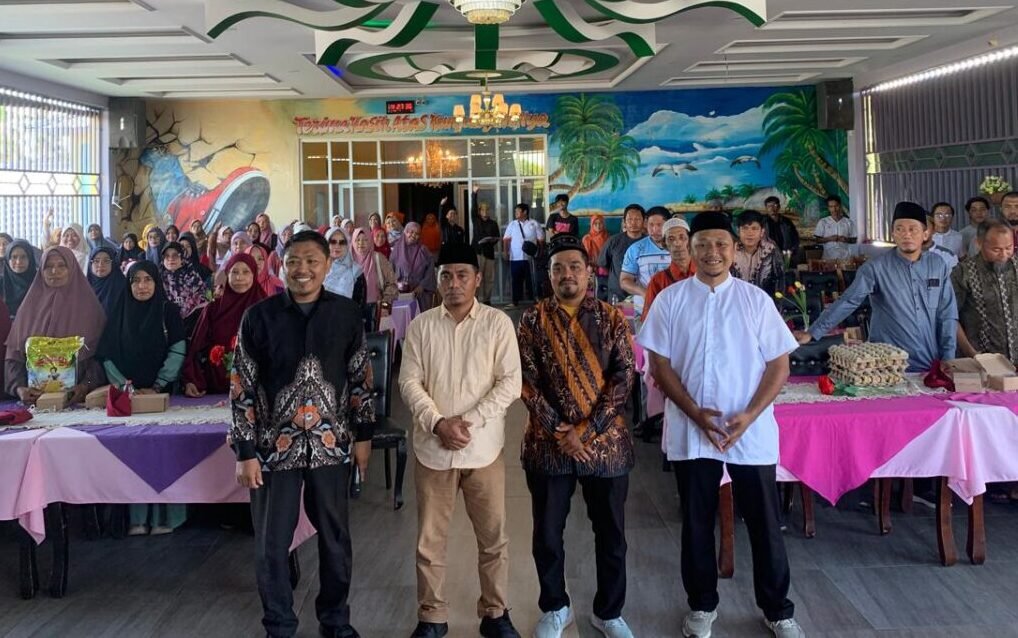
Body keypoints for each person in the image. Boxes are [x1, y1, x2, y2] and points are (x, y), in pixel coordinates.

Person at [638, 211, 805, 638]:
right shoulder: (670, 300)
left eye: (721, 244)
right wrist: (694, 412)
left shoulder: (755, 301)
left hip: (750, 429)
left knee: (764, 522)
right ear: (690, 249)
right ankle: (701, 605)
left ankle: (778, 609)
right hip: (692, 429)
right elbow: (659, 364)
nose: (712, 252)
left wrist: (749, 415)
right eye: (703, 245)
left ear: (733, 249)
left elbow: (779, 366)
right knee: (697, 522)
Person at [231, 230, 374, 638]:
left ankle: (335, 620)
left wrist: (364, 436)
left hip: (331, 445)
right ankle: (279, 624)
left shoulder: (346, 314)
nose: (302, 269)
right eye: (294, 261)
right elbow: (241, 386)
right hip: (273, 449)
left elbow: (360, 378)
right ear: (282, 265)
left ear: (328, 265)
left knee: (335, 539)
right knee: (272, 544)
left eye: (312, 261)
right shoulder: (258, 317)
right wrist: (244, 451)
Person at [399, 242, 523, 638]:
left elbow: (510, 383)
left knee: (493, 538)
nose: (454, 283)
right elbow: (409, 382)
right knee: (429, 541)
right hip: (432, 450)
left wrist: (465, 423)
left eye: (462, 275)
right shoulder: (421, 326)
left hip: (483, 449)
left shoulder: (497, 324)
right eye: (446, 275)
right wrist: (438, 424)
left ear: (477, 279)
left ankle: (495, 614)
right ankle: (432, 617)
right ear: (437, 280)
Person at [517, 235, 636, 638]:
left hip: (605, 446)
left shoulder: (610, 318)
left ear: (588, 272)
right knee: (547, 534)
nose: (566, 274)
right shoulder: (532, 320)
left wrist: (586, 429)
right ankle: (556, 607)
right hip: (547, 446)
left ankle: (609, 612)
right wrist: (559, 430)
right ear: (548, 275)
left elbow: (624, 377)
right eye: (558, 268)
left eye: (574, 266)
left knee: (612, 534)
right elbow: (525, 380)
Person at [796, 202, 958, 372]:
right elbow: (848, 301)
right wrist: (813, 332)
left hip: (929, 363)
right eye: (900, 229)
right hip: (886, 365)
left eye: (913, 229)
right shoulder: (875, 268)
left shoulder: (937, 265)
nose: (906, 234)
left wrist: (948, 356)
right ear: (893, 234)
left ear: (925, 234)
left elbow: (947, 313)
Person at [98, 260, 187, 535]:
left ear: (157, 283)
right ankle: (136, 518)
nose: (142, 286)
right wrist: (126, 388)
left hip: (164, 397)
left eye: (148, 280)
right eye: (136, 280)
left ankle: (166, 518)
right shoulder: (119, 311)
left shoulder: (168, 311)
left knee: (164, 454)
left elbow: (178, 349)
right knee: (134, 456)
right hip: (129, 399)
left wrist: (158, 386)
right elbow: (107, 354)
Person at [5, 247, 107, 405]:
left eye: (61, 265)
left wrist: (85, 386)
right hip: (34, 402)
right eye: (48, 266)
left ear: (71, 268)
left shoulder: (90, 309)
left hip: (78, 402)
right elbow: (13, 356)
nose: (54, 271)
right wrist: (18, 388)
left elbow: (102, 358)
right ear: (41, 270)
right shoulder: (28, 308)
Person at [182, 254, 265, 397]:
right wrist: (191, 380)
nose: (239, 277)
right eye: (234, 272)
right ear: (227, 275)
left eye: (246, 272)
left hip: (257, 390)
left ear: (254, 275)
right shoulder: (213, 309)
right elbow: (196, 348)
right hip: (215, 388)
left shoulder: (266, 309)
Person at [953, 220, 1018, 363]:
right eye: (996, 249)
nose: (1004, 255)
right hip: (980, 360)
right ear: (979, 243)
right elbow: (950, 317)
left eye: (1009, 248)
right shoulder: (963, 273)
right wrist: (972, 353)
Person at [619, 206, 671, 314]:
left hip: (673, 306)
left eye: (659, 225)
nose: (655, 229)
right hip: (643, 308)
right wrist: (644, 292)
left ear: (668, 225)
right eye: (651, 225)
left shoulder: (679, 248)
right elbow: (624, 281)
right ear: (646, 224)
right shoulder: (636, 249)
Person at [643, 217, 695, 315]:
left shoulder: (705, 275)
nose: (677, 243)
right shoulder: (657, 282)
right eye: (671, 239)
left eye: (682, 237)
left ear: (690, 241)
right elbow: (649, 319)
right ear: (664, 244)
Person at [351, 228, 397, 330]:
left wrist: (384, 306)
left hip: (375, 311)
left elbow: (391, 284)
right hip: (350, 312)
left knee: (372, 337)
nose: (361, 243)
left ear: (370, 241)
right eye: (358, 240)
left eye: (365, 240)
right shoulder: (347, 261)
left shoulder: (378, 258)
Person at [598, 204, 645, 303]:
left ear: (644, 221)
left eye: (637, 219)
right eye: (630, 219)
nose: (633, 223)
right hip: (617, 296)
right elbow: (603, 265)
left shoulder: (649, 242)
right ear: (624, 221)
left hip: (642, 296)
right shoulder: (613, 241)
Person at [733, 210, 785, 296]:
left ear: (762, 232)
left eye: (754, 228)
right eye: (745, 228)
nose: (749, 233)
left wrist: (776, 303)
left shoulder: (771, 250)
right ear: (738, 231)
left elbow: (780, 279)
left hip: (764, 299)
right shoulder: (731, 250)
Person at [502, 203, 543, 308]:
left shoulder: (534, 223)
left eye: (518, 211)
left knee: (532, 280)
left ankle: (535, 302)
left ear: (525, 212)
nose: (515, 213)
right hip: (515, 257)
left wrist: (540, 253)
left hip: (530, 258)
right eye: (515, 211)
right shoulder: (512, 224)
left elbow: (541, 240)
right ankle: (515, 302)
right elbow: (506, 239)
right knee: (516, 280)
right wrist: (505, 252)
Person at [390, 222, 437, 311]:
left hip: (420, 295)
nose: (413, 235)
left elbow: (430, 272)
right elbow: (390, 271)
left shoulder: (424, 251)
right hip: (401, 294)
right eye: (411, 232)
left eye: (417, 234)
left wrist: (422, 286)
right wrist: (395, 284)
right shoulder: (396, 250)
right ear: (405, 232)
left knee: (420, 318)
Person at [160, 242, 208, 323]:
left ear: (182, 258)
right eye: (167, 256)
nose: (171, 259)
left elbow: (207, 297)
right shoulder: (158, 278)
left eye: (175, 255)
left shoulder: (192, 276)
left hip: (192, 322)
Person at [471, 189, 501, 306]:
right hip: (478, 253)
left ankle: (487, 300)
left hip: (489, 253)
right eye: (483, 209)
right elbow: (473, 209)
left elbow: (497, 237)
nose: (485, 211)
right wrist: (474, 194)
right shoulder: (476, 220)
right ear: (479, 211)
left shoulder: (493, 223)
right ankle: (475, 299)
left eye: (487, 209)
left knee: (489, 278)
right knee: (477, 277)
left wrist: (491, 240)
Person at [323, 228, 367, 305]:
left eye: (342, 242)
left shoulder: (356, 272)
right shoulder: (318, 268)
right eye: (333, 242)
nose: (337, 246)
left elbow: (359, 306)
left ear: (347, 245)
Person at [1, 240, 39, 319]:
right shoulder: (1, 283)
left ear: (30, 258)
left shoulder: (40, 282)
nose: (18, 262)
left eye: (23, 257)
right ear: (8, 259)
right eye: (14, 257)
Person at [87, 246, 127, 316]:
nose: (100, 265)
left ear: (113, 263)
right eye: (96, 261)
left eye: (106, 261)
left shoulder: (122, 286)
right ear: (90, 264)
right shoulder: (82, 286)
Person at [814, 195, 856, 261]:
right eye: (831, 207)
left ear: (840, 206)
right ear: (828, 208)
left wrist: (846, 239)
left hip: (845, 258)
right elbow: (817, 240)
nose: (834, 209)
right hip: (828, 258)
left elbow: (854, 240)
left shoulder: (848, 222)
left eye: (836, 206)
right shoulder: (823, 222)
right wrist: (829, 239)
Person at [763, 196, 800, 260]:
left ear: (779, 207)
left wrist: (792, 250)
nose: (772, 208)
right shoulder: (762, 222)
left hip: (785, 255)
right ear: (766, 208)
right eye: (769, 206)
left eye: (774, 205)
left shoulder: (786, 222)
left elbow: (795, 238)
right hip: (768, 256)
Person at [582, 214, 610, 298]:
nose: (598, 226)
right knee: (591, 293)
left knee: (604, 292)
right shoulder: (587, 238)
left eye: (600, 223)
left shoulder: (608, 237)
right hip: (590, 268)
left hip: (605, 268)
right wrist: (588, 265)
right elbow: (583, 255)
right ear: (592, 225)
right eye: (595, 223)